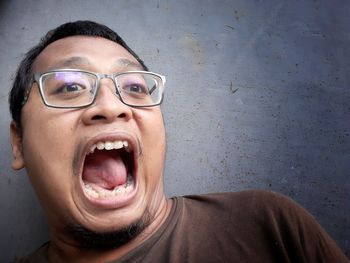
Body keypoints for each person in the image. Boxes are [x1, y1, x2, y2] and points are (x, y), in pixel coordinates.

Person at [9, 20, 348, 263]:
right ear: (19, 143)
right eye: (70, 86)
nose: (111, 106)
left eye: (134, 86)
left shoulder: (267, 224)